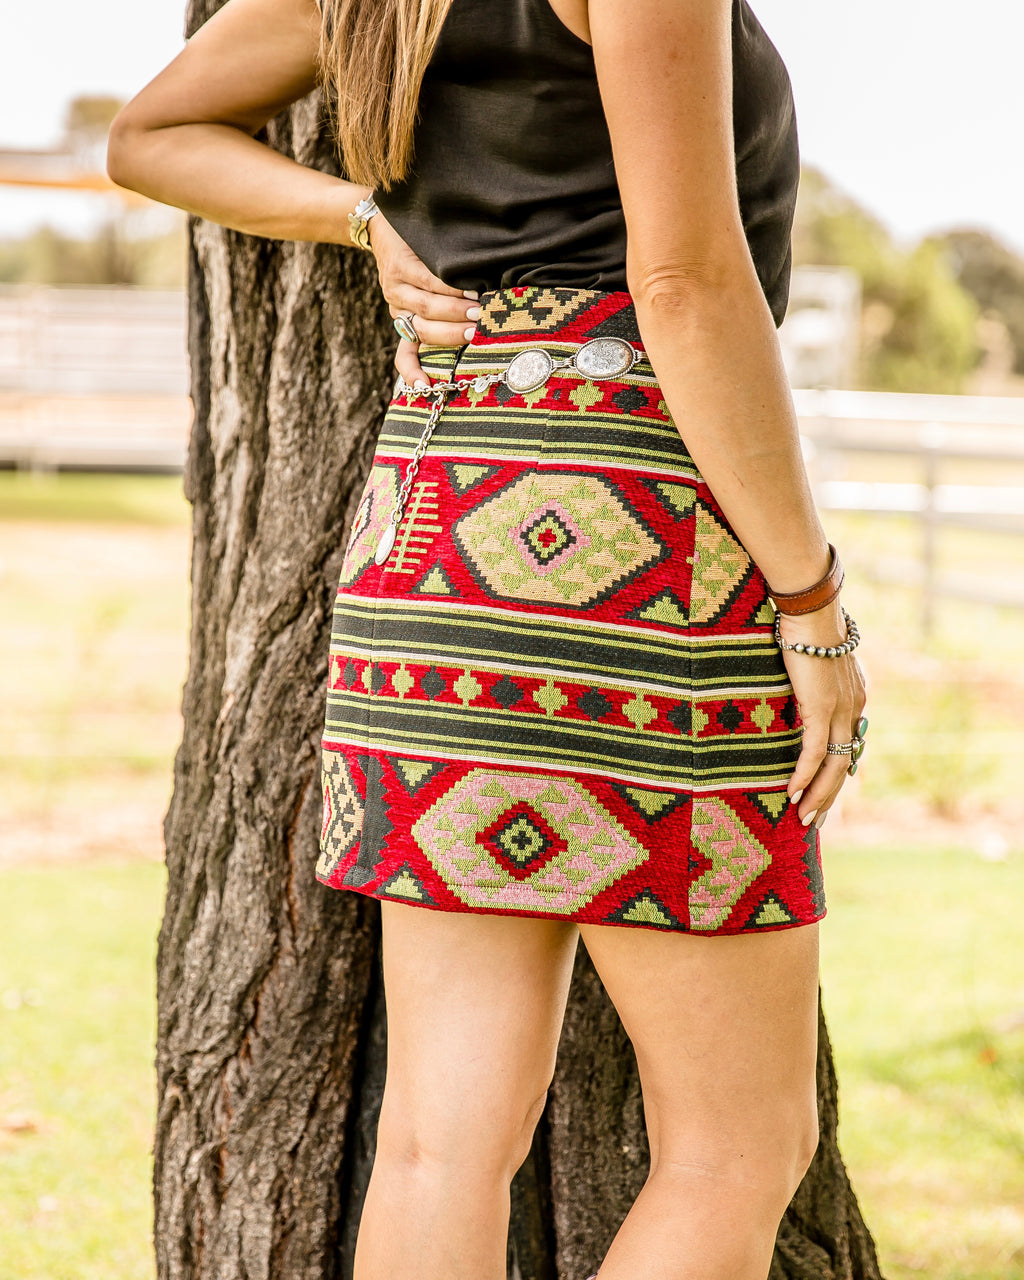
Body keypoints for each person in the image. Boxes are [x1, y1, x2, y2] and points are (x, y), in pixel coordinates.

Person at [108, 1, 869, 1277]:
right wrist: (811, 601)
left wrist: (359, 216)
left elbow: (152, 133)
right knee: (735, 1146)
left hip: (435, 521)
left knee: (440, 1135)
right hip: (635, 541)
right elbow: (680, 283)